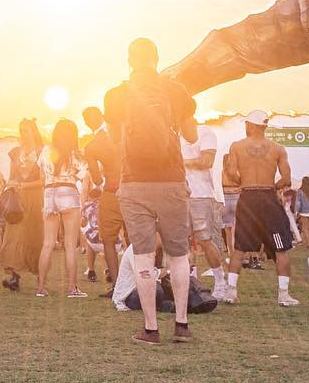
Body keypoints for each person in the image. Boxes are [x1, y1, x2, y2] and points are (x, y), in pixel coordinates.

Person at [104, 38, 198, 344]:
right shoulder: (175, 90)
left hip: (134, 182)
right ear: (157, 59)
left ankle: (151, 328)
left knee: (143, 257)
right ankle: (181, 325)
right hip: (172, 180)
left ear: (130, 61)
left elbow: (116, 141)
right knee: (178, 255)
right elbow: (191, 135)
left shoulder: (116, 95)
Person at [219, 111, 300, 307]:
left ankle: (231, 292)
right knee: (280, 248)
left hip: (247, 197)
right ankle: (283, 295)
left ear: (251, 125)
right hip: (268, 196)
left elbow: (230, 172)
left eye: (246, 124)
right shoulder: (277, 148)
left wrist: (243, 182)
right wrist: (273, 186)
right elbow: (286, 179)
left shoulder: (237, 146)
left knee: (239, 248)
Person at [36, 118, 88, 298]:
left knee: (47, 244)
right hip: (68, 191)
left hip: (49, 193)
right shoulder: (76, 153)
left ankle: (41, 288)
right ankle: (72, 288)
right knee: (70, 245)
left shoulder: (46, 151)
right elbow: (83, 176)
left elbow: (41, 176)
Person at [181, 121, 226, 299]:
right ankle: (191, 282)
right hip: (180, 195)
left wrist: (181, 162)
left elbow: (207, 161)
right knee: (182, 241)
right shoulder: (174, 136)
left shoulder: (205, 132)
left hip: (201, 194)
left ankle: (220, 282)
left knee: (205, 240)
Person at [0, 119, 45, 291]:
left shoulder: (42, 152)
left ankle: (40, 277)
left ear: (34, 131)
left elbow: (44, 180)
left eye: (26, 130)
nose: (23, 134)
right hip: (17, 199)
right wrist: (10, 187)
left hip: (35, 197)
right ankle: (15, 276)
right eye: (21, 130)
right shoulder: (16, 152)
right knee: (14, 234)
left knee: (35, 234)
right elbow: (11, 176)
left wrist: (24, 185)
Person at [83, 106, 123, 285]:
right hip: (132, 187)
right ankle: (140, 280)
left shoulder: (91, 146)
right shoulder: (122, 130)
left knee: (108, 239)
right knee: (135, 239)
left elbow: (97, 179)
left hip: (111, 191)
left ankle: (117, 285)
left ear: (87, 123)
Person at [296, 175, 309, 276]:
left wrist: (297, 212)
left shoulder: (300, 191)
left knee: (305, 229)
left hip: (303, 212)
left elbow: (298, 203)